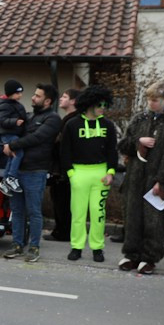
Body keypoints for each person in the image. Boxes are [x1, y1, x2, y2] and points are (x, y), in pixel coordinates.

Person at [118, 82, 164, 275]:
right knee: (132, 216)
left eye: (155, 100)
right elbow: (123, 144)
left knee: (154, 220)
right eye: (149, 99)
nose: (151, 103)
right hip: (135, 176)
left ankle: (150, 257)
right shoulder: (140, 119)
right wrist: (137, 142)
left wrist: (163, 180)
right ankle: (131, 254)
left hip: (157, 178)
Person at [1, 84, 62, 263]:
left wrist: (12, 146)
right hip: (17, 170)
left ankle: (34, 247)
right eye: (34, 95)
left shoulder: (53, 119)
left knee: (34, 211)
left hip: (36, 171)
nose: (33, 98)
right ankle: (17, 244)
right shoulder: (29, 117)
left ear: (48, 101)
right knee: (17, 210)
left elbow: (36, 138)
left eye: (37, 96)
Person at [61, 85, 119, 262]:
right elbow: (65, 151)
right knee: (77, 213)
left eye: (105, 104)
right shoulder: (72, 124)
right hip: (79, 172)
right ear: (90, 104)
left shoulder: (108, 126)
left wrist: (110, 172)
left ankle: (97, 248)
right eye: (100, 104)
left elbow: (112, 151)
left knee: (98, 213)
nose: (103, 107)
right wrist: (71, 173)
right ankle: (76, 247)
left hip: (100, 173)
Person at [47, 88, 80, 242]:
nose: (61, 99)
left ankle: (63, 232)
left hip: (65, 169)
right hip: (61, 168)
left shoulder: (73, 120)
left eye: (65, 97)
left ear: (73, 101)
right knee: (59, 199)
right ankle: (60, 230)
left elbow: (63, 146)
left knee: (64, 201)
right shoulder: (67, 119)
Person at [0, 79, 27, 194]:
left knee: (12, 157)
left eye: (20, 93)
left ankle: (4, 182)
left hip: (14, 134)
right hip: (8, 135)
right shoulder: (4, 105)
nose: (20, 95)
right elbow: (2, 120)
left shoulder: (14, 105)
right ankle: (11, 177)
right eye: (17, 93)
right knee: (19, 153)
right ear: (10, 93)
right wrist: (15, 121)